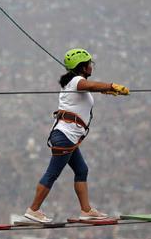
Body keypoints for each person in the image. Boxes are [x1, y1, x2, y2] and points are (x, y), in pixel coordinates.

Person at [22, 48, 128, 224]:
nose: (91, 66)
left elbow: (88, 88)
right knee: (52, 173)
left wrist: (103, 90)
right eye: (89, 64)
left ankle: (86, 210)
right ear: (83, 66)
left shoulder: (72, 82)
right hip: (65, 136)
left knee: (81, 170)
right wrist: (110, 86)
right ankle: (33, 210)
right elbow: (90, 85)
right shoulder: (76, 81)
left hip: (67, 136)